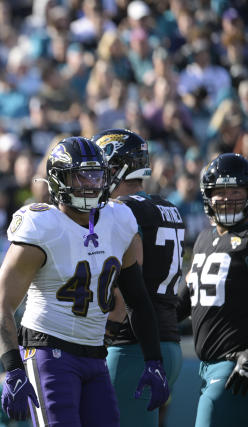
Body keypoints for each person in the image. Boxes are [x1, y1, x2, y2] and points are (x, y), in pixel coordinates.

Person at [0, 137, 169, 426]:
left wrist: (154, 360)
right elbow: (1, 304)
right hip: (48, 351)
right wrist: (12, 368)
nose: (91, 183)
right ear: (59, 180)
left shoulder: (118, 219)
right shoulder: (41, 226)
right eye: (80, 175)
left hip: (95, 356)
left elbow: (136, 298)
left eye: (97, 175)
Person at [93, 129, 185, 427]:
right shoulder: (169, 207)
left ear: (114, 168)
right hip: (169, 344)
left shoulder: (118, 210)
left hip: (131, 346)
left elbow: (126, 287)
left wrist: (103, 340)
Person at [176, 153, 248, 426]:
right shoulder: (205, 239)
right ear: (207, 196)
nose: (227, 198)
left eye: (235, 190)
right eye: (220, 191)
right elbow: (184, 301)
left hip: (234, 367)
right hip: (206, 368)